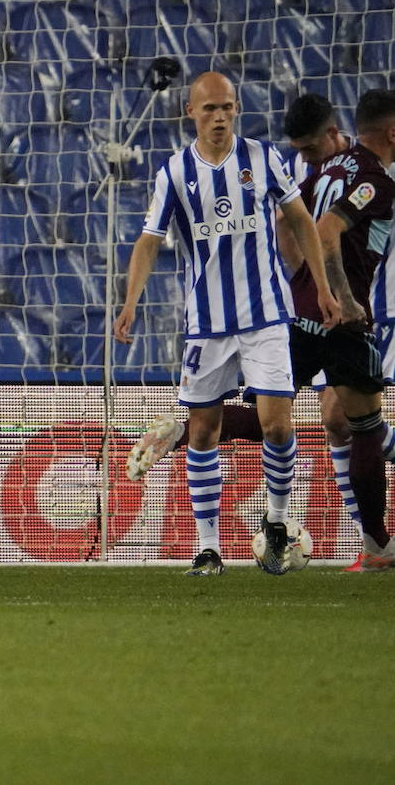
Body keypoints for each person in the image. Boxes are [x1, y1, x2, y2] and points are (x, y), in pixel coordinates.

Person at [125, 94, 377, 570]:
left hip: (267, 319)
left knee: (277, 425)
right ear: (191, 113)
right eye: (209, 108)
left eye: (226, 106)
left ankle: (277, 522)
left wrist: (322, 289)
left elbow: (300, 219)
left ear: (236, 108)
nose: (219, 116)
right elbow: (149, 239)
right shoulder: (174, 172)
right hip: (207, 324)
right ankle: (208, 548)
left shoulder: (263, 158)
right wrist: (130, 303)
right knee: (203, 432)